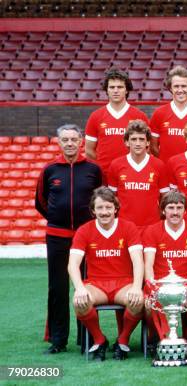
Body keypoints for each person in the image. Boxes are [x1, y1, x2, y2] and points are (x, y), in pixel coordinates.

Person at [35, 124, 103, 354]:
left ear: (81, 141)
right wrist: (58, 220)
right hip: (58, 237)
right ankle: (58, 339)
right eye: (65, 140)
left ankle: (85, 338)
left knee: (85, 286)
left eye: (74, 139)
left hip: (87, 238)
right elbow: (41, 202)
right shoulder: (49, 170)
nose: (70, 143)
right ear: (58, 142)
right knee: (58, 288)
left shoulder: (93, 169)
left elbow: (101, 202)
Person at [67, 187, 144, 361]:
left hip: (123, 283)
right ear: (93, 210)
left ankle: (123, 340)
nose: (104, 212)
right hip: (96, 284)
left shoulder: (128, 227)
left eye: (108, 207)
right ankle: (99, 339)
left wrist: (137, 287)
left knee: (139, 300)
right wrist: (79, 288)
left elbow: (138, 260)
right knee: (80, 301)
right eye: (100, 208)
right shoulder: (84, 230)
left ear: (115, 208)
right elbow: (73, 264)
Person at [142, 191, 187, 352]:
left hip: (186, 285)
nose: (175, 212)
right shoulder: (152, 230)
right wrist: (151, 286)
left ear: (185, 210)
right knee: (147, 304)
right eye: (171, 207)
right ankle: (155, 336)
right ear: (163, 210)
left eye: (179, 207)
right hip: (161, 285)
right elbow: (148, 264)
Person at [107, 120, 170, 231]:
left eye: (141, 139)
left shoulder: (159, 165)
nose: (137, 143)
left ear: (148, 142)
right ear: (126, 142)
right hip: (124, 227)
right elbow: (112, 198)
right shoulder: (116, 165)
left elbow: (165, 198)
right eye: (133, 139)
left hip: (152, 227)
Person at [85, 68, 148, 175]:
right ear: (107, 90)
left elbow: (147, 148)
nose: (115, 90)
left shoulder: (139, 115)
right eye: (112, 87)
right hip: (104, 175)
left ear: (126, 90)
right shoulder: (96, 116)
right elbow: (89, 150)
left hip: (131, 174)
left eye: (120, 87)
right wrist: (101, 168)